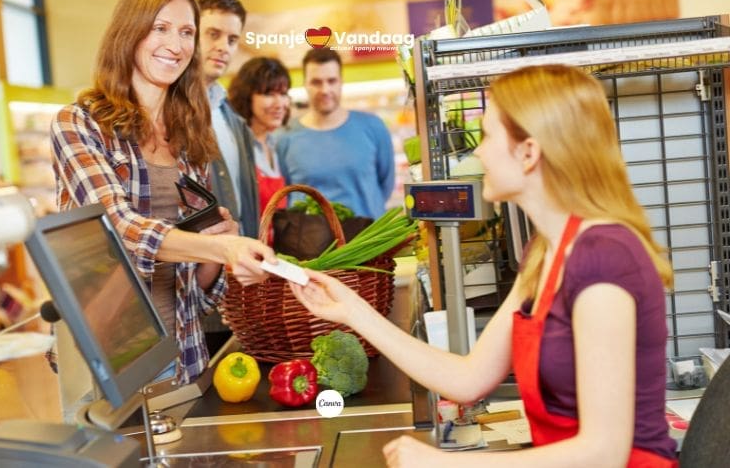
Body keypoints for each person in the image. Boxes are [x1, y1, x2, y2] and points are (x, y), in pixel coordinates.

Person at [290, 64, 678, 466]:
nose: (479, 151)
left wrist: (448, 463)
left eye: (489, 135)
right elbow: (468, 378)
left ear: (529, 152)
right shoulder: (545, 252)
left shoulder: (604, 258)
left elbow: (603, 452)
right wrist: (351, 309)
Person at [50, 0, 275, 384]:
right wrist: (218, 244)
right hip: (109, 356)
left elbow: (197, 288)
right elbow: (117, 228)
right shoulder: (80, 124)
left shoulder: (189, 136)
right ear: (129, 33)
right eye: (160, 28)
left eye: (186, 32)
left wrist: (214, 255)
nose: (176, 44)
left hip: (184, 350)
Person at [276, 48, 395, 219]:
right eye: (316, 82)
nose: (325, 90)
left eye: (331, 81)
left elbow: (386, 183)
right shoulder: (284, 137)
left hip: (368, 239)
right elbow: (284, 193)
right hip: (310, 242)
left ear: (341, 82)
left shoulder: (373, 127)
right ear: (305, 84)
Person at [194, 0, 259, 238]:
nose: (223, 47)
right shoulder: (168, 112)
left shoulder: (232, 118)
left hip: (239, 258)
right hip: (196, 264)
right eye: (213, 35)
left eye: (232, 40)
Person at [227, 56, 291, 216]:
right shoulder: (234, 145)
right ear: (247, 96)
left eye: (283, 93)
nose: (279, 104)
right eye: (269, 94)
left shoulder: (275, 144)